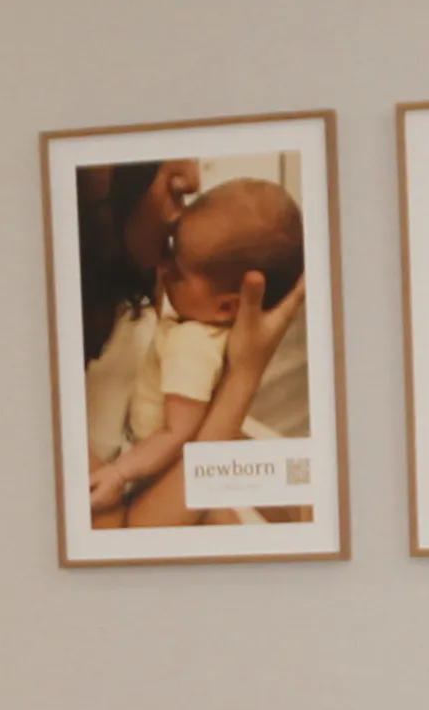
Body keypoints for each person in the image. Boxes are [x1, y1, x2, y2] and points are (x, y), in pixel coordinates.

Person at [100, 178, 309, 530]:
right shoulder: (203, 323)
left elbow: (177, 434)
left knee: (216, 519)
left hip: (158, 465)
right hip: (180, 461)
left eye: (177, 271)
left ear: (227, 305)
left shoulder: (191, 347)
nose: (164, 269)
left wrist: (121, 471)